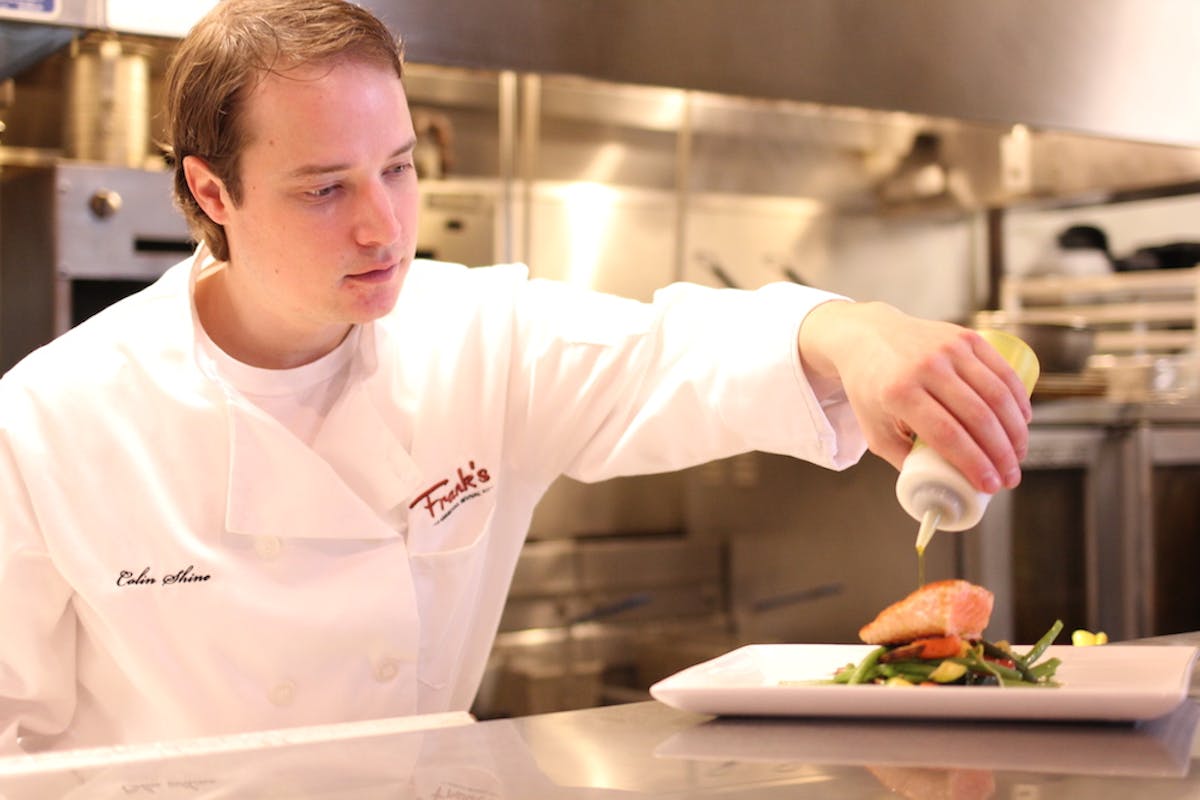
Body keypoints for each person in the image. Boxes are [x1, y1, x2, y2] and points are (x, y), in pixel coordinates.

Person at [0, 0, 1031, 753]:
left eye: (398, 168)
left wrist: (859, 331)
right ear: (210, 189)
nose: (383, 226)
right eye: (325, 189)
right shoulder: (54, 421)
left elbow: (673, 353)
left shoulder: (476, 335)